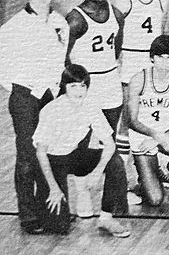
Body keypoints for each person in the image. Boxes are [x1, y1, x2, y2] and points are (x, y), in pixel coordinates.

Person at [0, 0, 68, 234]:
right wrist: (22, 90)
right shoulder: (13, 27)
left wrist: (53, 90)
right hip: (25, 97)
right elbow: (2, 67)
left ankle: (48, 210)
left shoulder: (59, 21)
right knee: (27, 156)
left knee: (49, 152)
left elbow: (61, 60)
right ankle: (27, 214)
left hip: (50, 97)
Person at [33, 64, 130, 237]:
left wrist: (97, 172)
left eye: (82, 86)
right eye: (73, 86)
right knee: (59, 227)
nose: (78, 91)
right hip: (52, 160)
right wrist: (54, 188)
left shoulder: (90, 106)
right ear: (64, 87)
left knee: (115, 162)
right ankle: (51, 198)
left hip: (76, 155)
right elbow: (41, 152)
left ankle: (106, 218)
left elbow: (110, 144)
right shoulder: (51, 110)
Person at [65, 0, 130, 218]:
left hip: (110, 83)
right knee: (86, 143)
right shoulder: (75, 19)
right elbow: (64, 57)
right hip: (87, 86)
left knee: (110, 142)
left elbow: (116, 47)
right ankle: (82, 193)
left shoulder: (117, 14)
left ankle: (110, 201)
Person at [114, 0, 165, 204]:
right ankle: (122, 182)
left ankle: (156, 168)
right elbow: (114, 32)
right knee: (126, 123)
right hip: (131, 65)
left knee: (155, 115)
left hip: (154, 65)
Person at [126, 35, 169, 217]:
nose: (165, 62)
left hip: (167, 133)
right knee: (154, 200)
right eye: (160, 57)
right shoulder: (139, 79)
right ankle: (139, 175)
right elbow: (131, 120)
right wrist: (156, 136)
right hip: (143, 136)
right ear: (151, 57)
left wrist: (160, 138)